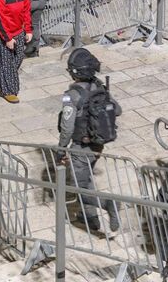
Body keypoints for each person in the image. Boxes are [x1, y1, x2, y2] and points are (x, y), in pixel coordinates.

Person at [57, 48, 123, 233]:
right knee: (86, 179)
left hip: (81, 145)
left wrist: (61, 149)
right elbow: (117, 110)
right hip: (98, 143)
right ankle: (90, 218)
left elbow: (67, 127)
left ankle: (107, 203)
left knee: (78, 187)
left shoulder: (72, 95)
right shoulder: (99, 87)